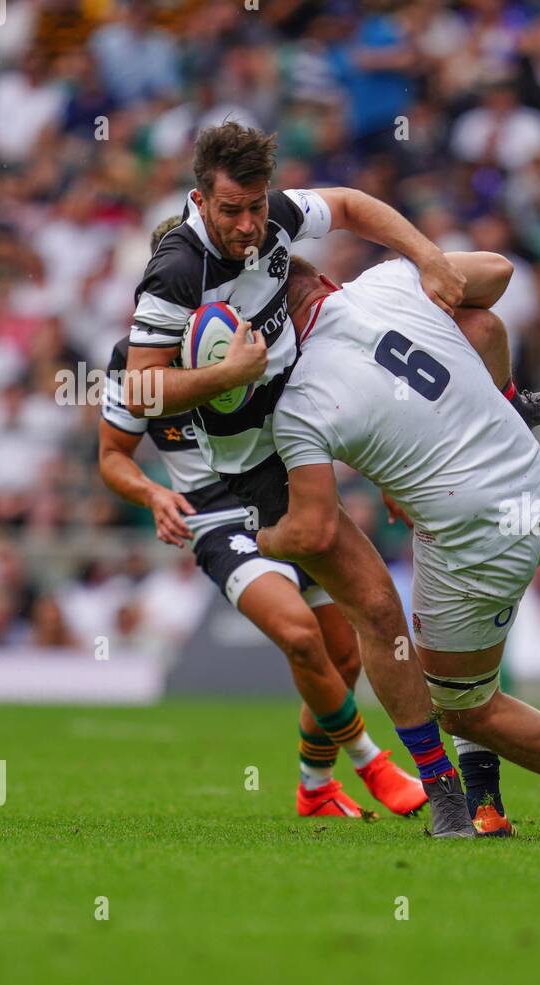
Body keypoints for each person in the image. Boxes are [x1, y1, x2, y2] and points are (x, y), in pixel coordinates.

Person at [121, 123, 540, 837]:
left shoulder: (270, 219)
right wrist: (227, 377)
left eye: (257, 206)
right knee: (373, 611)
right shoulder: (172, 276)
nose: (250, 225)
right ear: (199, 200)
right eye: (231, 211)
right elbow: (138, 394)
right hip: (253, 465)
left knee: (475, 325)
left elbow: (348, 204)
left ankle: (509, 411)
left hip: (311, 410)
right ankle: (440, 794)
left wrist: (427, 257)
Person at [256, 253, 540, 839]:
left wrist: (253, 538)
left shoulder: (299, 401)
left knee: (461, 706)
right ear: (324, 280)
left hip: (475, 530)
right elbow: (494, 294)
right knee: (462, 673)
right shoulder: (387, 282)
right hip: (524, 483)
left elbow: (316, 529)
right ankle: (486, 806)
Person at [99, 219, 426, 819]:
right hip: (214, 519)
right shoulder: (135, 364)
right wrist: (151, 495)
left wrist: (385, 479)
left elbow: (331, 413)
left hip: (281, 501)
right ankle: (372, 765)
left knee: (344, 655)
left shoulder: (256, 338)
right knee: (300, 636)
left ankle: (315, 787)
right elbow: (112, 458)